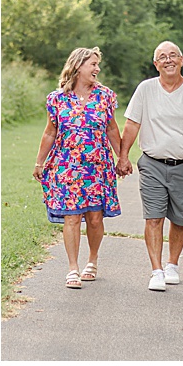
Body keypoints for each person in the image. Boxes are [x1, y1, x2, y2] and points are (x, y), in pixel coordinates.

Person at [116, 41, 183, 292]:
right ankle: (156, 270)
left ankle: (172, 264)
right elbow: (132, 125)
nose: (168, 60)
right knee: (154, 217)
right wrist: (123, 156)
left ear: (181, 60)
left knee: (180, 220)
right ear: (155, 64)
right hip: (152, 164)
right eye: (162, 57)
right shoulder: (146, 89)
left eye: (173, 56)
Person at [33, 47, 122, 289]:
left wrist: (122, 156)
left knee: (94, 218)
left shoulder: (105, 96)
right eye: (93, 64)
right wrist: (39, 161)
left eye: (97, 64)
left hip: (97, 166)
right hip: (67, 165)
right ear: (78, 66)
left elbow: (112, 129)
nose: (97, 69)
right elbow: (50, 132)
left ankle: (92, 261)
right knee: (71, 217)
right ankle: (72, 268)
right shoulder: (57, 98)